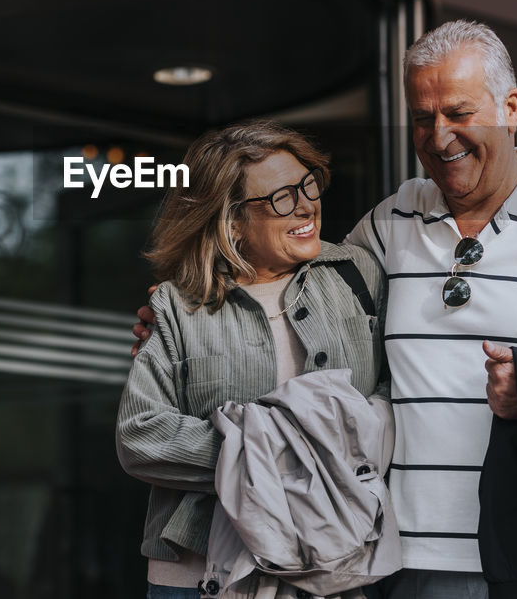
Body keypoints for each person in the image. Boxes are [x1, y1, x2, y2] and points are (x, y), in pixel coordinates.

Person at [134, 19, 517, 599]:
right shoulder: (391, 221)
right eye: (423, 118)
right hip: (392, 561)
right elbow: (288, 282)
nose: (439, 136)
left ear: (510, 107)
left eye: (458, 113)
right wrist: (185, 313)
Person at [116, 121, 388, 599]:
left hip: (332, 566)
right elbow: (141, 436)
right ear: (232, 221)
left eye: (308, 184)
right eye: (280, 197)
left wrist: (260, 454)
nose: (305, 205)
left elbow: (395, 393)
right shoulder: (180, 306)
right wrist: (284, 456)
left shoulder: (357, 275)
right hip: (198, 576)